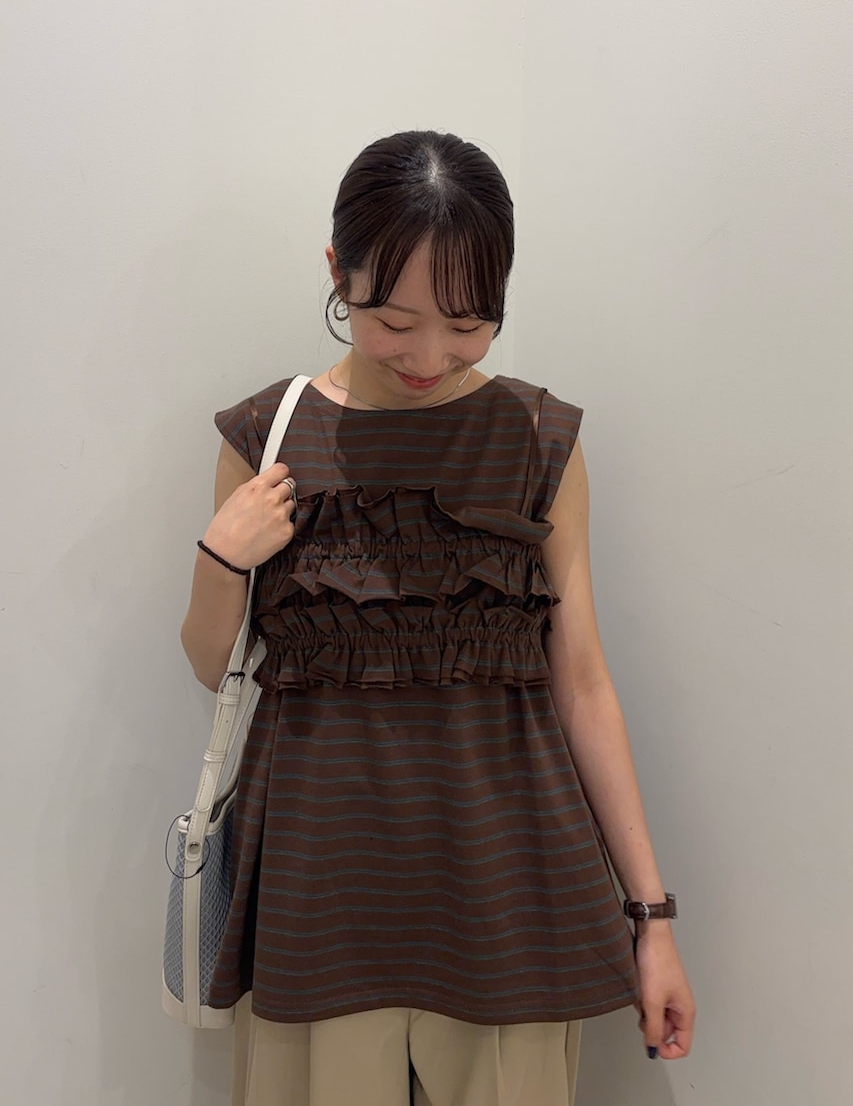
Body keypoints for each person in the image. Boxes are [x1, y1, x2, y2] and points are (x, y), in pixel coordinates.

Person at [180, 130, 695, 1106]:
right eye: (393, 319)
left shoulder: (537, 438)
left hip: (510, 889)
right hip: (319, 896)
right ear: (339, 273)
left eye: (467, 323)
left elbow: (583, 681)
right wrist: (221, 556)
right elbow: (215, 666)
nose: (428, 356)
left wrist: (652, 917)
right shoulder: (268, 434)